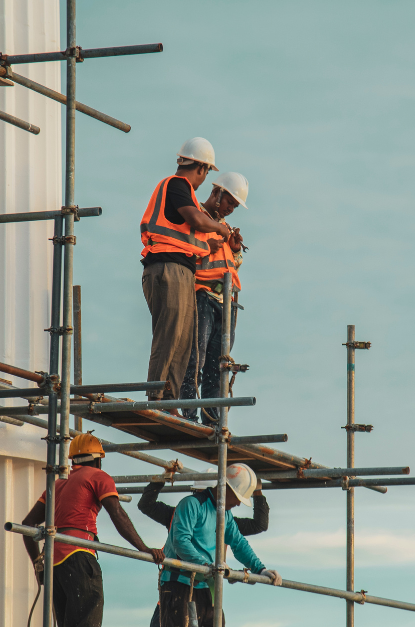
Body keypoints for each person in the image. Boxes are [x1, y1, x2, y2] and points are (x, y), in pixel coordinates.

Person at [21, 433, 165, 627]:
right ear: (98, 460)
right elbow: (117, 513)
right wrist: (143, 548)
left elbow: (27, 524)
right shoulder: (98, 477)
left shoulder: (56, 485)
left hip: (54, 563)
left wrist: (38, 563)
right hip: (79, 555)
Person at [140, 138, 232, 409]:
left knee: (182, 343)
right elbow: (195, 219)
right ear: (202, 168)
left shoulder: (182, 191)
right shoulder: (177, 185)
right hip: (167, 269)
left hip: (179, 270)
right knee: (169, 336)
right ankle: (156, 398)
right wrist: (220, 228)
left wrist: (208, 244)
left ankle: (170, 402)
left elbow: (185, 235)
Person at [157, 464, 282, 627]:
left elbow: (238, 543)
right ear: (226, 488)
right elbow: (181, 542)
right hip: (179, 585)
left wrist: (260, 569)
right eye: (238, 497)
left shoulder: (225, 514)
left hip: (206, 587)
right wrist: (206, 566)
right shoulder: (191, 504)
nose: (238, 503)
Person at [180, 172, 249, 424]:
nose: (231, 208)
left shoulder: (225, 228)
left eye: (234, 205)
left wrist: (236, 249)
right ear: (216, 193)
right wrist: (210, 247)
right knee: (195, 357)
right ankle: (188, 414)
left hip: (226, 302)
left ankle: (212, 419)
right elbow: (186, 251)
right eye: (229, 201)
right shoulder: (195, 215)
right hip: (202, 296)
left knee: (217, 366)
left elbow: (232, 265)